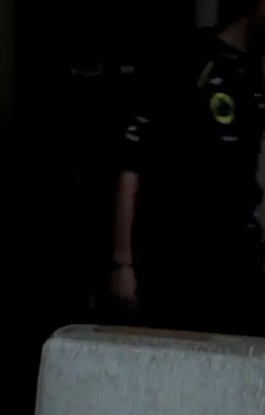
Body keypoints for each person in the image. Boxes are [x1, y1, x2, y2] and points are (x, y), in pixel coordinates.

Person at [110, 0, 265, 336]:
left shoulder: (252, 73)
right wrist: (123, 262)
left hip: (238, 262)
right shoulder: (185, 61)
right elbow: (131, 163)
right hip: (178, 262)